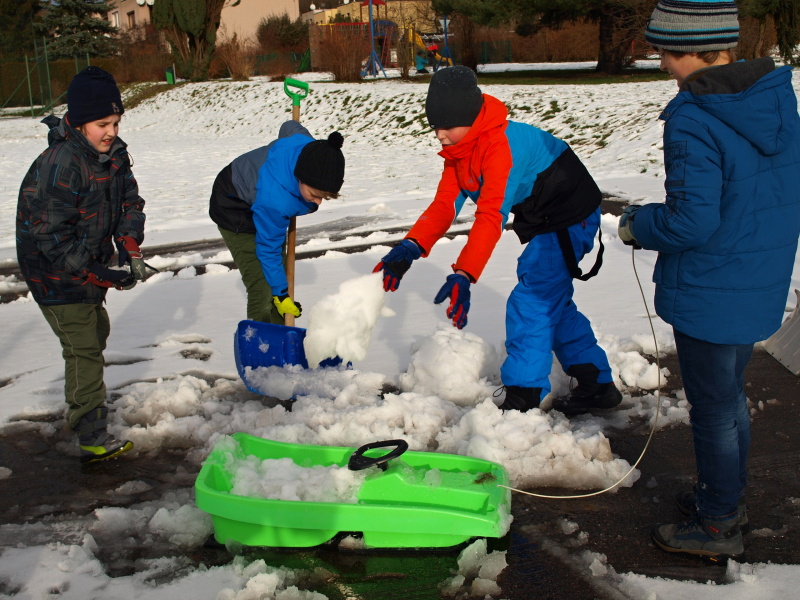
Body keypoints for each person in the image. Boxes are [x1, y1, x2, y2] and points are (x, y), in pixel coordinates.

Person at [618, 0, 800, 560]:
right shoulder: (772, 98)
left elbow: (691, 221)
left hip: (712, 287)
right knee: (729, 399)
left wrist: (637, 225)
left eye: (665, 54)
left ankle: (719, 524)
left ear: (688, 50)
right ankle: (723, 500)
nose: (662, 64)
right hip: (756, 278)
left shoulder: (695, 116)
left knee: (715, 409)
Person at [373, 66, 622, 415]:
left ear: (470, 118)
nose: (439, 135)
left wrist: (464, 273)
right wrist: (411, 246)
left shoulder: (499, 147)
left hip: (570, 213)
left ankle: (524, 396)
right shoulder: (460, 150)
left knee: (532, 300)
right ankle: (596, 383)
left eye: (447, 126)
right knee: (550, 300)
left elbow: (491, 215)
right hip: (546, 216)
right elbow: (445, 204)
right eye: (435, 126)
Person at [16, 66, 151, 464]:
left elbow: (130, 201)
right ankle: (91, 434)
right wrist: (96, 272)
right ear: (78, 123)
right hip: (53, 272)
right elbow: (49, 234)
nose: (111, 131)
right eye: (102, 124)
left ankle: (84, 402)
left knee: (96, 333)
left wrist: (129, 243)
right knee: (84, 348)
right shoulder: (60, 164)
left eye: (116, 122)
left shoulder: (114, 155)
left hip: (87, 262)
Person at [209, 121, 345, 323]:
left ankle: (281, 330)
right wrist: (281, 295)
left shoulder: (306, 146)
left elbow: (290, 126)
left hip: (259, 192)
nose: (318, 202)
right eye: (314, 195)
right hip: (233, 207)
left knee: (277, 273)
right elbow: (268, 249)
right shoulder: (276, 201)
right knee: (263, 286)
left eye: (323, 197)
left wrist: (281, 294)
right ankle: (260, 339)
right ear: (300, 178)